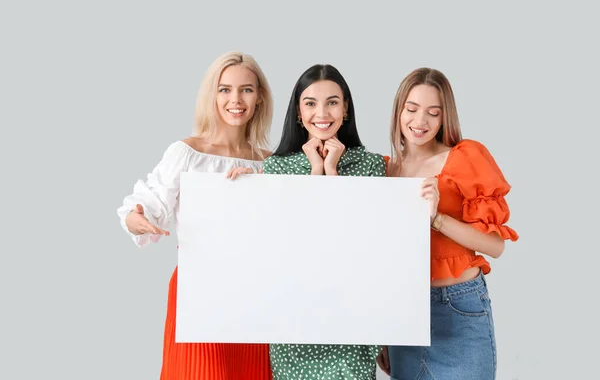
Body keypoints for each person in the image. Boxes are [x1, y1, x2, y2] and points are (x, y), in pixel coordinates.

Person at [116, 51, 275, 380]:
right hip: (198, 291)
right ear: (212, 96)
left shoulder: (273, 162)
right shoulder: (186, 153)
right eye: (225, 89)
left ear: (259, 98)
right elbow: (149, 202)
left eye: (246, 89)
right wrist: (137, 217)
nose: (236, 99)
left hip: (256, 293)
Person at [376, 68, 519, 380]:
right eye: (411, 109)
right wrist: (383, 334)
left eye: (433, 113)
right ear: (399, 111)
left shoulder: (465, 157)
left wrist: (437, 219)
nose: (420, 121)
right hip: (404, 313)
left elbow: (495, 246)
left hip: (459, 308)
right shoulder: (384, 171)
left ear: (444, 118)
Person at [262, 64, 386, 380]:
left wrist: (332, 172)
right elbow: (291, 242)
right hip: (294, 318)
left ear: (345, 109)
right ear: (298, 112)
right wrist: (316, 171)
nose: (322, 112)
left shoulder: (371, 165)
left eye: (332, 101)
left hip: (353, 316)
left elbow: (362, 241)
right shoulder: (277, 168)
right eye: (310, 103)